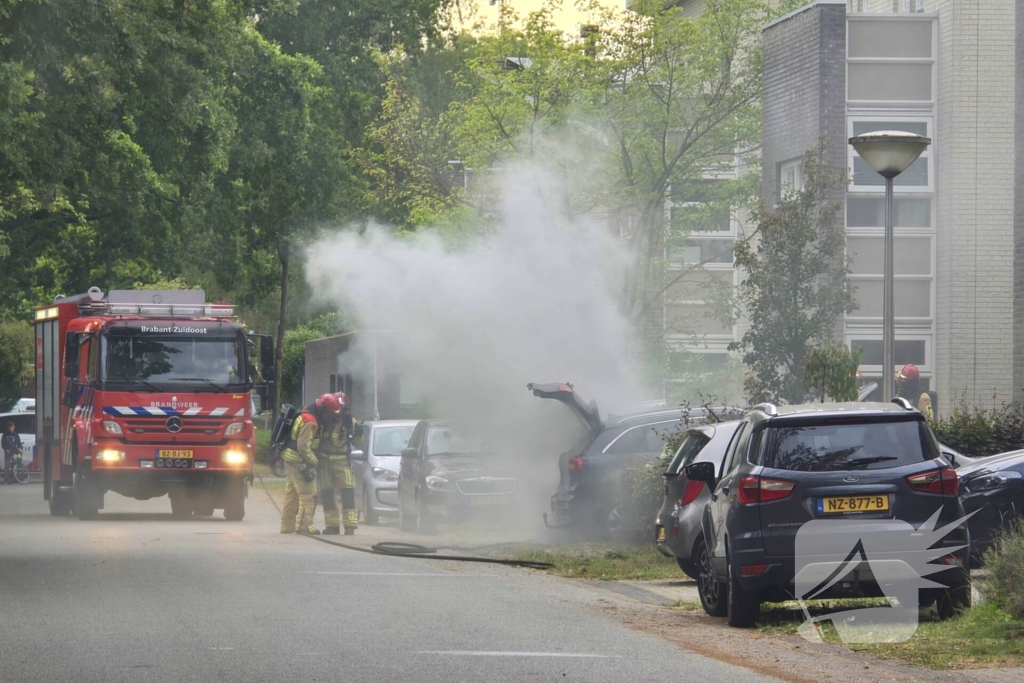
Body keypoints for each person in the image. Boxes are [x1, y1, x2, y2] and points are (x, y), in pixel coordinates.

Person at [279, 394, 342, 535]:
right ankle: (305, 526)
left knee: (292, 494)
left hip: (291, 459)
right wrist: (315, 461)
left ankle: (287, 526)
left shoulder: (306, 411)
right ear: (324, 411)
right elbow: (303, 447)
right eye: (330, 414)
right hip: (299, 461)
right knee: (308, 494)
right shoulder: (311, 422)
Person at [316, 392, 364, 535]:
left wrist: (358, 434)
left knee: (347, 492)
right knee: (327, 493)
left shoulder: (350, 422)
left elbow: (358, 443)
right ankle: (332, 526)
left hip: (342, 461)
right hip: (324, 461)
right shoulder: (322, 420)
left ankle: (350, 526)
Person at [2, 421, 24, 485]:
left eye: (12, 427)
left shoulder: (16, 434)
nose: (10, 428)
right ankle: (5, 478)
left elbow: (19, 443)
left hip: (14, 449)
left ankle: (18, 460)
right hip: (8, 450)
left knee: (20, 452)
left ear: (14, 427)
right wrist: (6, 449)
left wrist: (20, 448)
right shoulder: (5, 434)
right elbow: (3, 444)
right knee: (7, 464)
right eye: (9, 427)